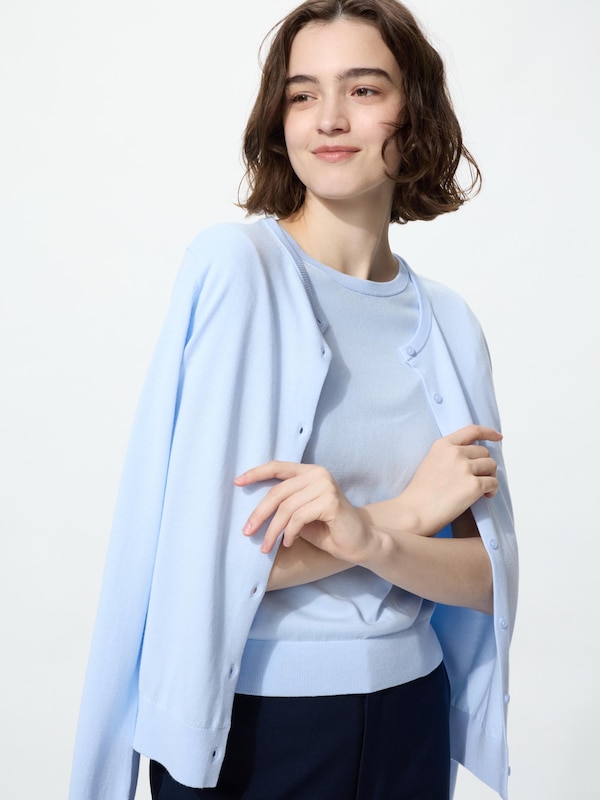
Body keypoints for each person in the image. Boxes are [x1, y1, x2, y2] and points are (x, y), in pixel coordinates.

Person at [69, 1, 518, 799]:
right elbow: (202, 561)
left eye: (364, 89)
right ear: (280, 122)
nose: (330, 118)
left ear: (414, 111)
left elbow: (488, 578)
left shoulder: (450, 322)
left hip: (412, 718)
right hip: (256, 729)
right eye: (303, 94)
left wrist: (366, 537)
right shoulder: (239, 269)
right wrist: (406, 515)